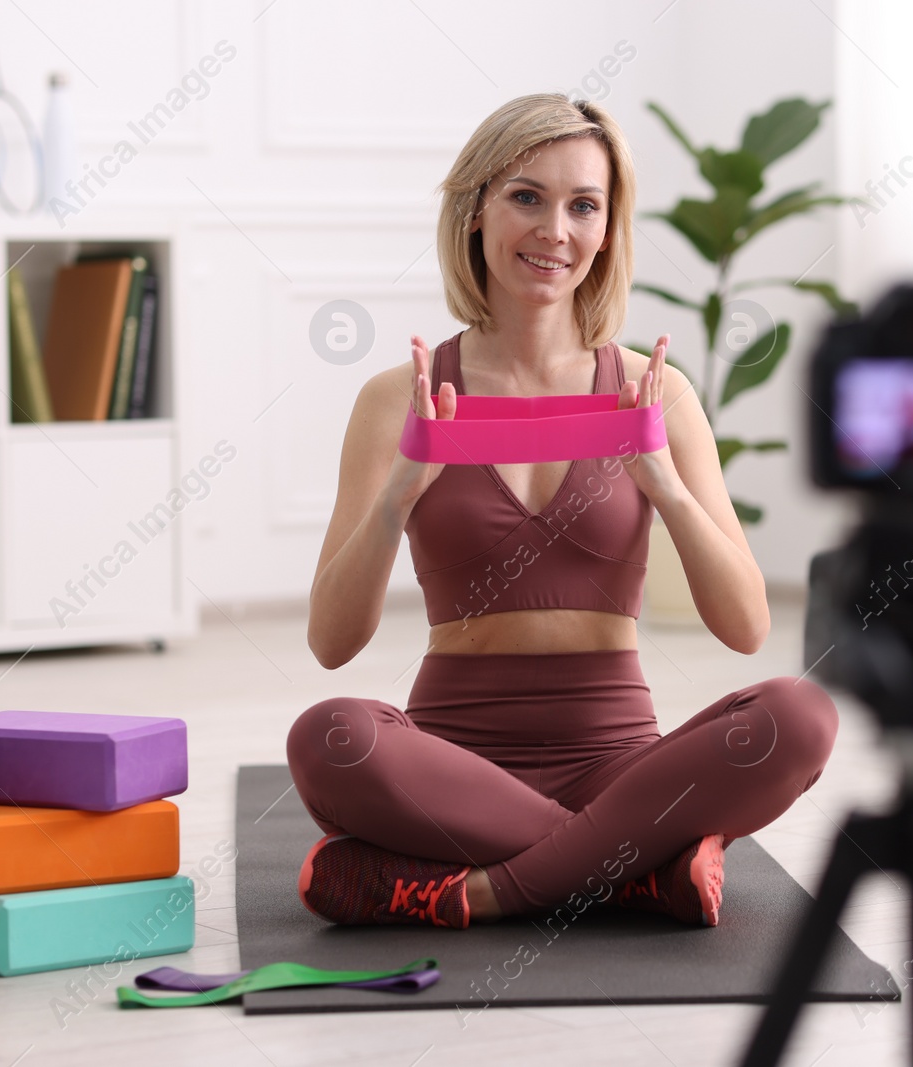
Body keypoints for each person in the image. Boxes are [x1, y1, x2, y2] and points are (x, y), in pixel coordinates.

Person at [287, 93, 838, 930]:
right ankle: (632, 870)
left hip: (618, 762)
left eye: (584, 205)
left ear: (609, 229)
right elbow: (332, 643)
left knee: (802, 715)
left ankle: (481, 889)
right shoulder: (395, 398)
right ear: (476, 210)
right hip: (453, 764)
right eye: (526, 197)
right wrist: (402, 489)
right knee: (328, 736)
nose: (555, 230)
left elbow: (747, 627)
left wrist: (666, 485)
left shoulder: (661, 394)